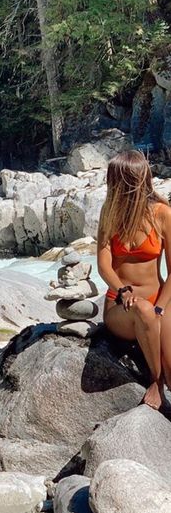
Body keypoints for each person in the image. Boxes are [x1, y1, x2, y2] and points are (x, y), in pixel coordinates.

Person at [97, 149, 171, 409]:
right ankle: (156, 381)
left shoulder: (162, 214)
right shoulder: (109, 213)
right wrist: (122, 290)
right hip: (121, 305)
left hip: (159, 300)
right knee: (142, 309)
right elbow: (103, 265)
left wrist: (160, 308)